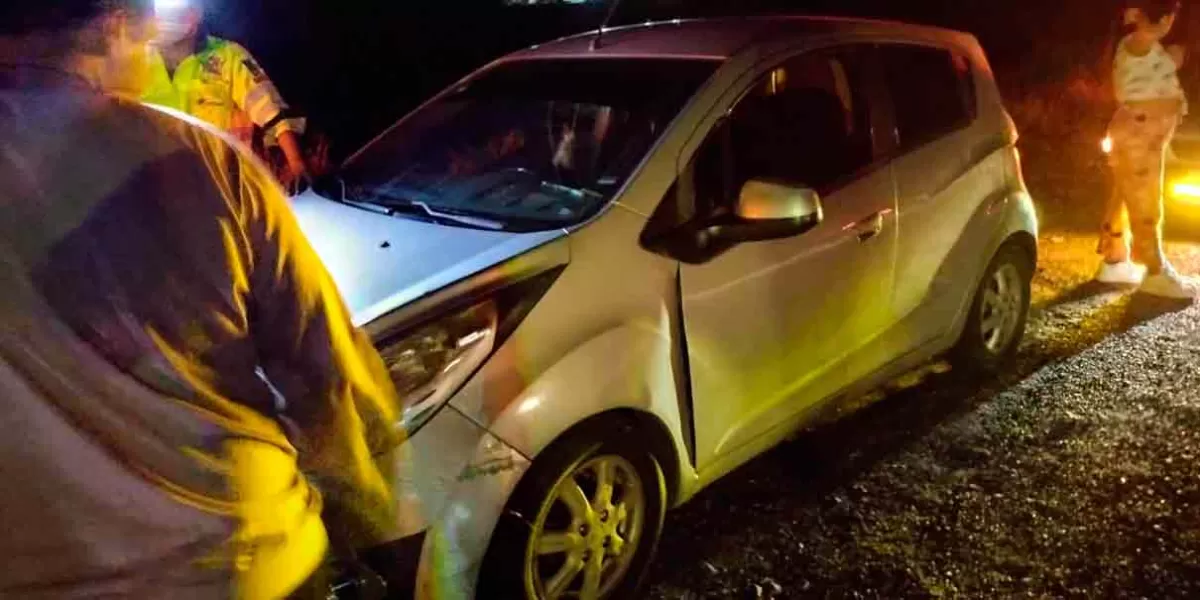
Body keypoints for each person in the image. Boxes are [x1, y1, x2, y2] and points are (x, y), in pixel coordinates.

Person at [0, 1, 402, 597]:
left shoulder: (222, 72)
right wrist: (370, 528)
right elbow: (332, 380)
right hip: (248, 560)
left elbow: (272, 113)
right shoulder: (208, 163)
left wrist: (295, 162)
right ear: (113, 26)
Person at [139, 0, 312, 190]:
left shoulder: (228, 57)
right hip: (153, 189)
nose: (161, 19)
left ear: (194, 15)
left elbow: (271, 110)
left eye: (170, 11)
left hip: (220, 189)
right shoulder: (135, 60)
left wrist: (295, 162)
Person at [1097, 0, 1197, 298]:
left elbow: (1156, 68)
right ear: (1164, 19)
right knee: (1145, 204)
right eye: (1170, 17)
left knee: (1126, 195)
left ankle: (1114, 259)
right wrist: (1145, 21)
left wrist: (1173, 55)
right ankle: (1154, 271)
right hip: (1139, 135)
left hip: (1143, 136)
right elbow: (1143, 48)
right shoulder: (1138, 43)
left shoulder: (1149, 47)